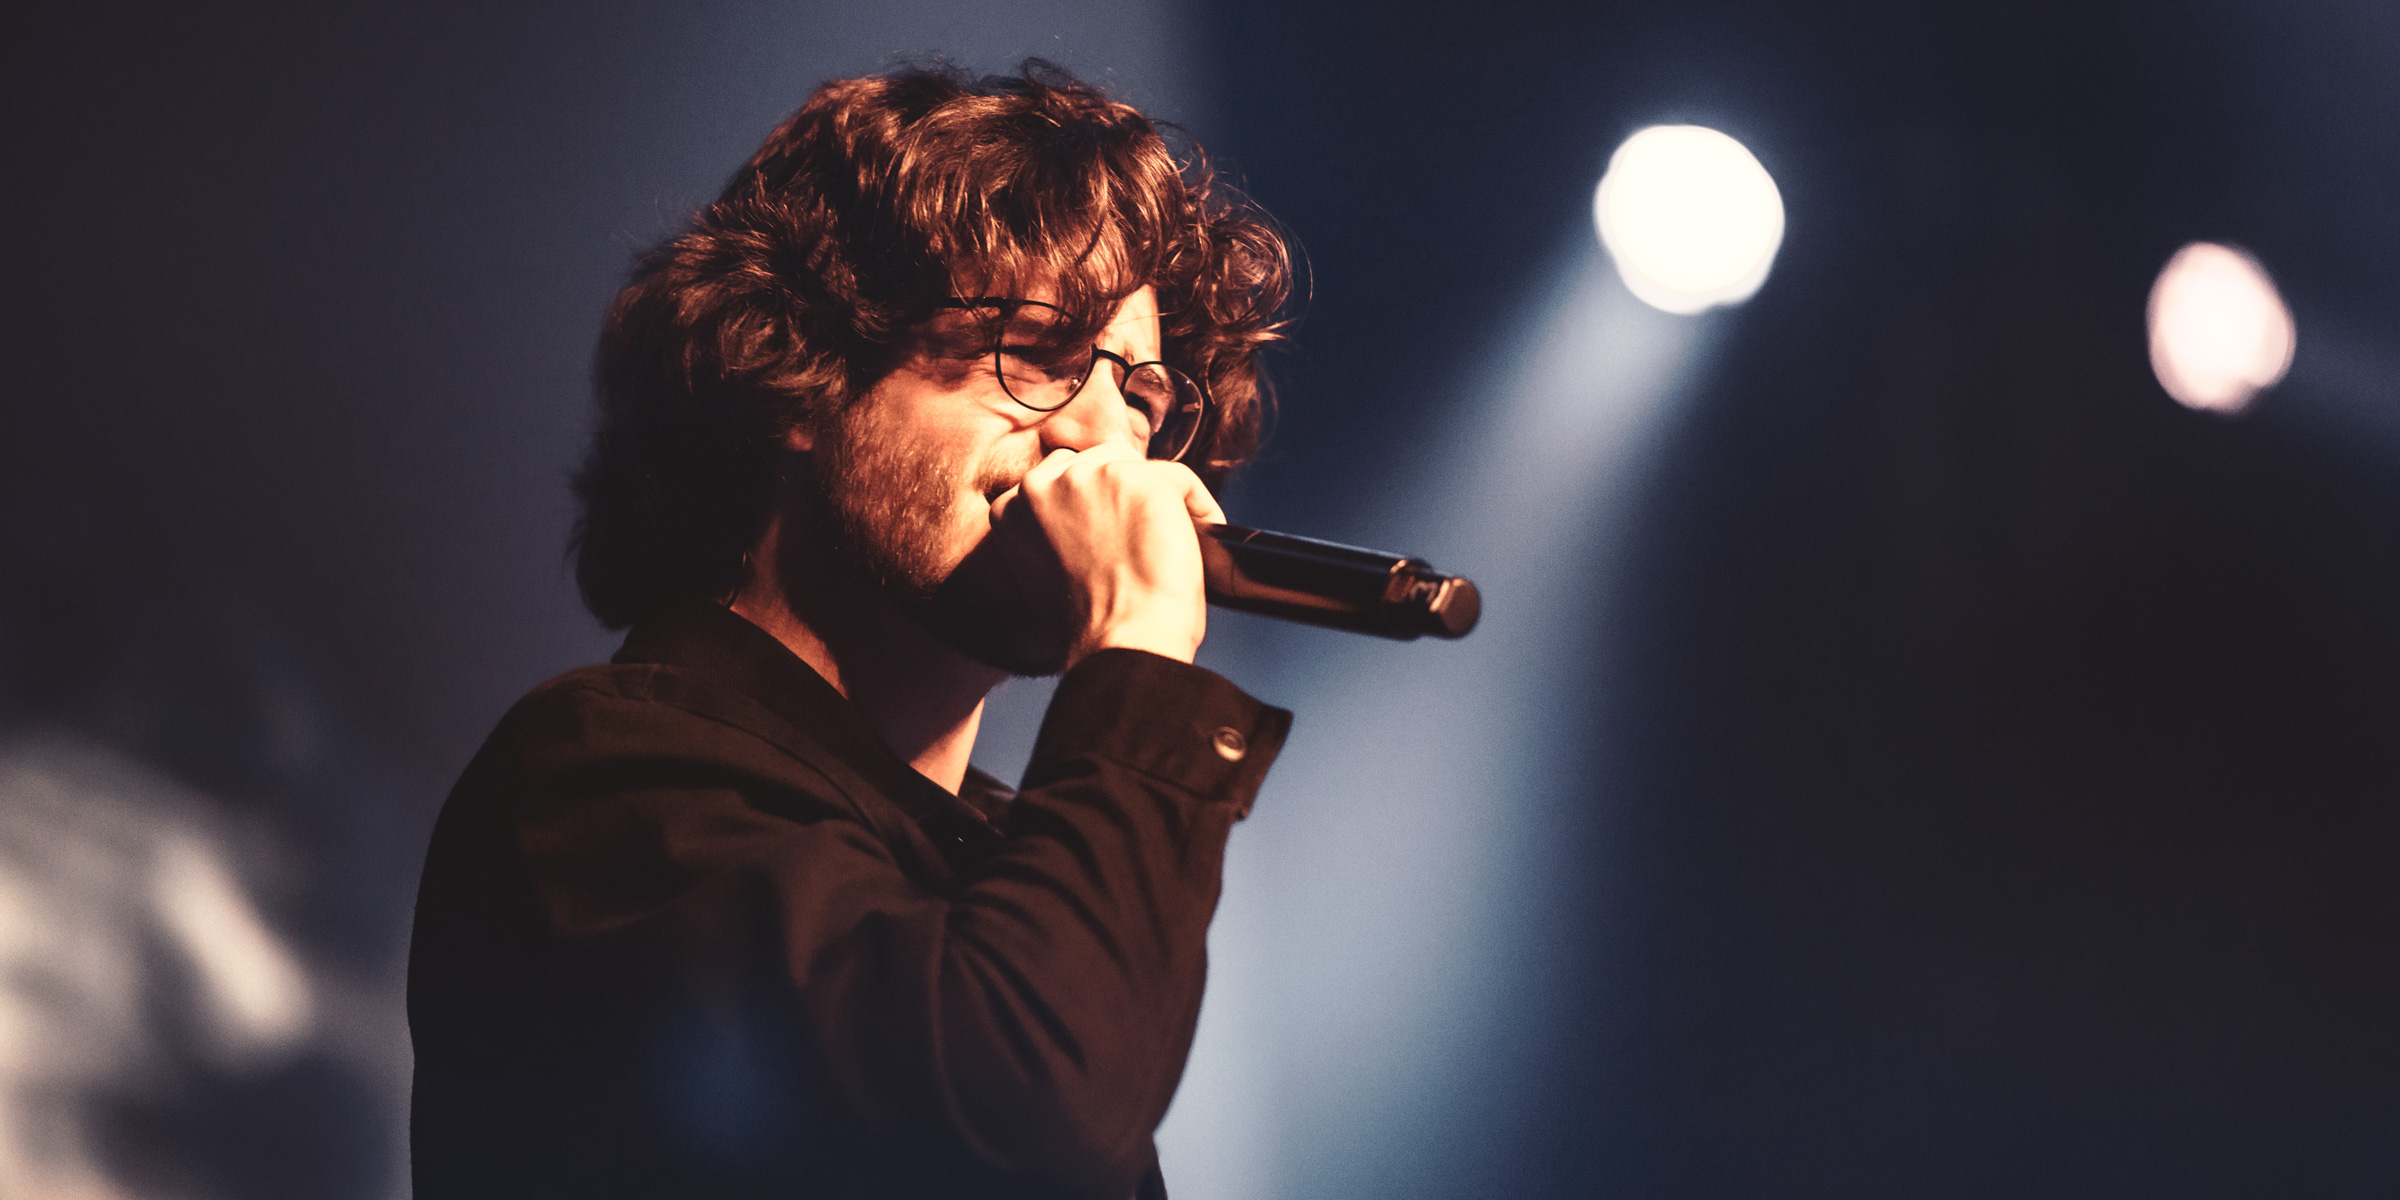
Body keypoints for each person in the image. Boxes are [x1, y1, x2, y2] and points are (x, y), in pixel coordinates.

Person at [406, 61, 1295, 1200]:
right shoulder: (599, 777)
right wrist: (1136, 650)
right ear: (797, 370)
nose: (1105, 437)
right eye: (1039, 354)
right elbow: (1008, 1123)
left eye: (1141, 395)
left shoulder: (1012, 863)